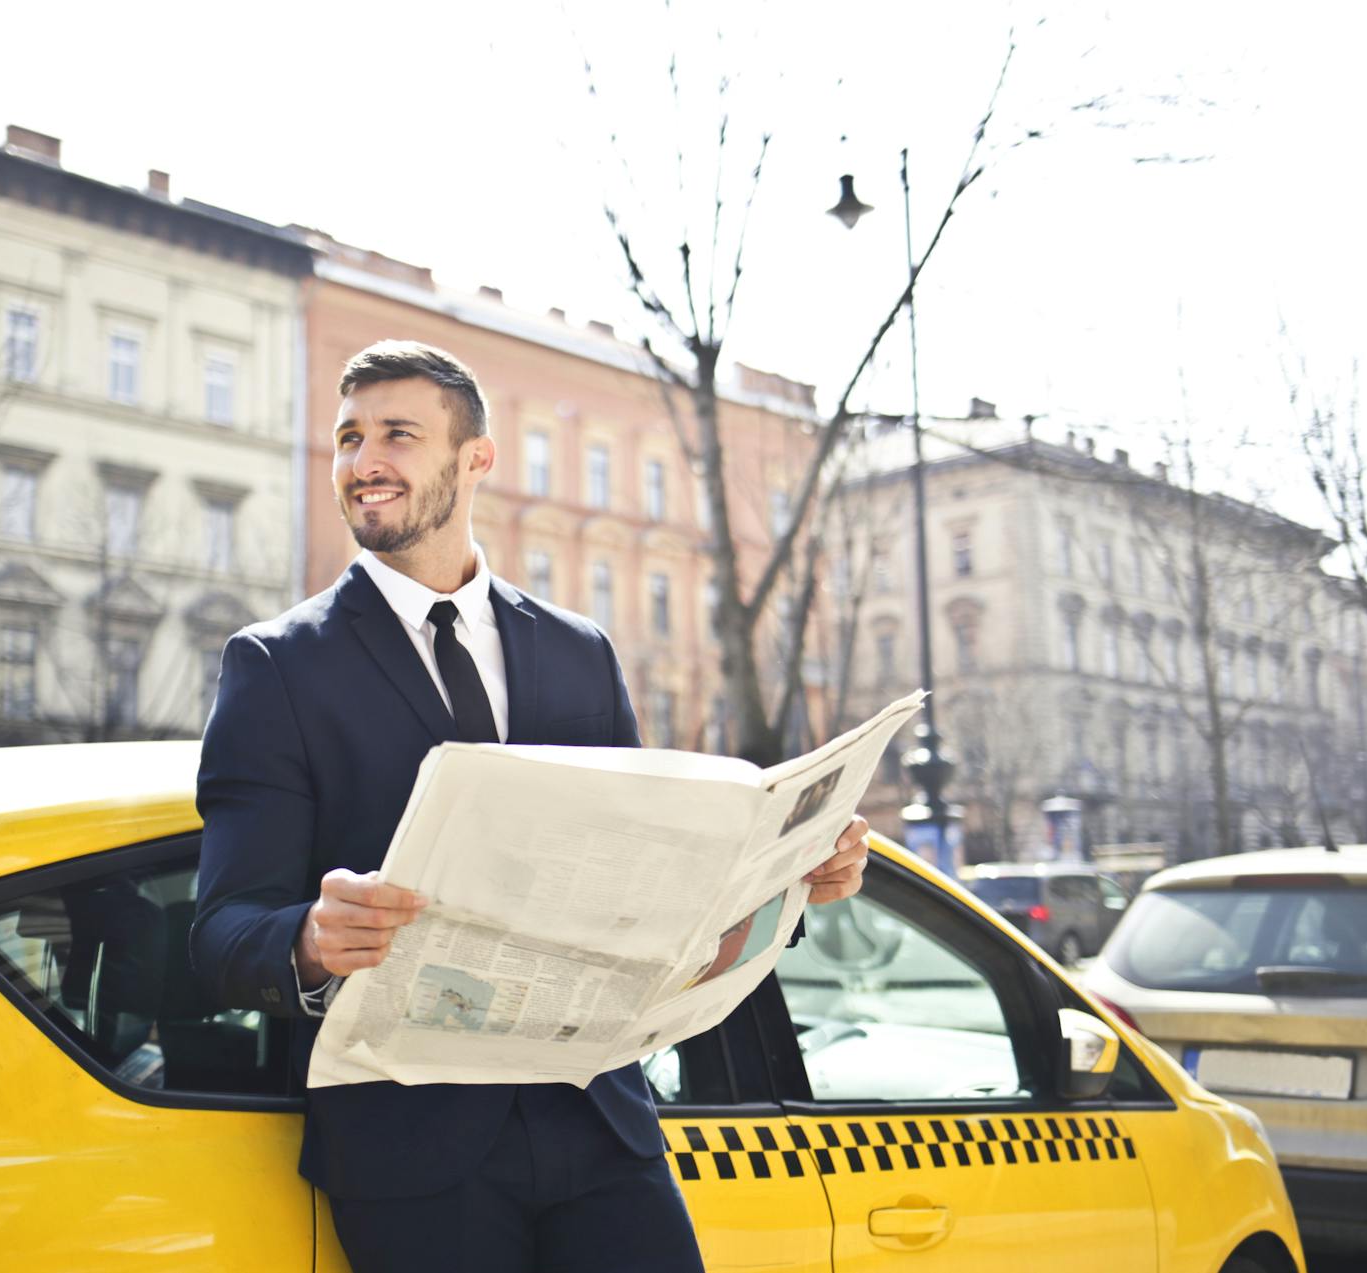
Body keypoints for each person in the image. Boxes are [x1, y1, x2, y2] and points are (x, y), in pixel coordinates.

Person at [193, 340, 871, 1273]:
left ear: (478, 459)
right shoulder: (276, 667)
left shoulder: (578, 650)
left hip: (601, 1124)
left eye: (397, 433)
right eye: (349, 437)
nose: (363, 461)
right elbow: (222, 928)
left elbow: (651, 887)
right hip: (413, 1155)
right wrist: (308, 938)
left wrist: (792, 881)